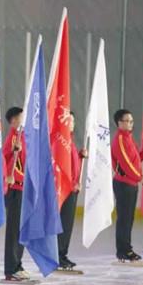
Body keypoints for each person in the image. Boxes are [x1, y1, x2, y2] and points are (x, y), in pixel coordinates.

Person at [111, 108, 143, 262]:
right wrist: (140, 177)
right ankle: (123, 251)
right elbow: (126, 164)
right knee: (124, 219)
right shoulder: (120, 139)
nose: (130, 124)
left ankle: (127, 248)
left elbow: (134, 159)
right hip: (124, 184)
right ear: (119, 123)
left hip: (131, 184)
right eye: (127, 121)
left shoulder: (129, 138)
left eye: (131, 121)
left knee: (129, 219)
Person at [2, 107, 30, 281]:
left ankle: (17, 264)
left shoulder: (23, 138)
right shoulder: (12, 138)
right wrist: (13, 151)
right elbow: (7, 162)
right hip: (15, 190)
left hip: (23, 189)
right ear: (13, 121)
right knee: (14, 230)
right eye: (21, 118)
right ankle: (11, 267)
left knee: (21, 229)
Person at [57, 111, 87, 269]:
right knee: (62, 223)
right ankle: (58, 255)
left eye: (74, 120)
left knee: (67, 224)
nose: (72, 123)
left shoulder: (70, 141)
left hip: (73, 189)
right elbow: (61, 168)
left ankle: (63, 254)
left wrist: (80, 156)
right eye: (70, 120)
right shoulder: (61, 141)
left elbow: (73, 166)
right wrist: (71, 184)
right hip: (65, 190)